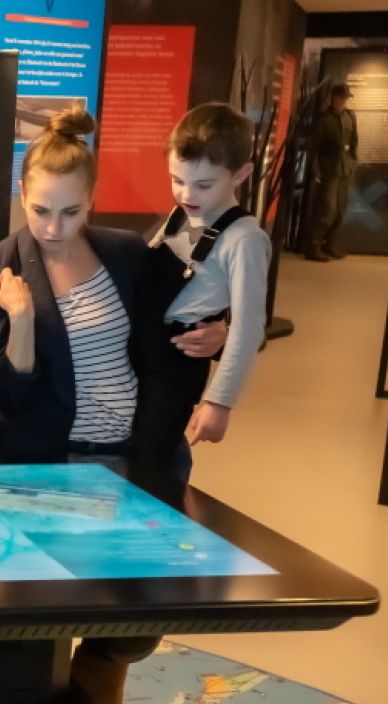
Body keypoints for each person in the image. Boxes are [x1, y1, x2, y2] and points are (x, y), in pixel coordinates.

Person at [0, 110, 226, 704]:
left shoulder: (125, 254)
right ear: (21, 197)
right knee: (41, 615)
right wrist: (20, 318)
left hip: (133, 458)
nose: (54, 227)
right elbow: (7, 392)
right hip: (45, 464)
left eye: (70, 211)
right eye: (41, 211)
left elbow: (188, 314)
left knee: (138, 611)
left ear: (93, 198)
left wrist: (219, 332)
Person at [128, 102, 271, 498]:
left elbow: (247, 327)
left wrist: (219, 402)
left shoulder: (244, 239)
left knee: (150, 463)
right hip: (142, 348)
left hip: (177, 364)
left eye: (203, 185)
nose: (187, 194)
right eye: (177, 180)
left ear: (240, 174)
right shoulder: (180, 214)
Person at [302, 83, 358, 261]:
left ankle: (329, 244)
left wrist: (353, 163)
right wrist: (315, 170)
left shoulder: (350, 116)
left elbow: (354, 142)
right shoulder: (323, 119)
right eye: (339, 98)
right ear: (332, 98)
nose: (342, 101)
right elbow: (314, 147)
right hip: (328, 169)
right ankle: (313, 246)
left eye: (345, 98)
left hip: (344, 168)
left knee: (340, 210)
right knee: (327, 210)